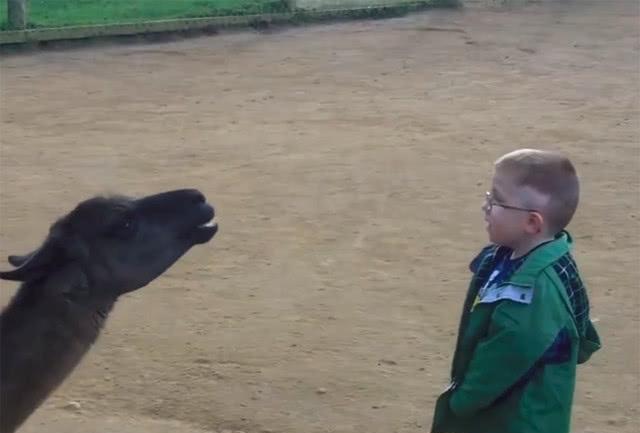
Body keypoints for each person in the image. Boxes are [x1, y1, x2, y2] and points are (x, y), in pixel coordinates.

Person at [430, 148, 601, 433]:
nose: (486, 206)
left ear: (532, 223)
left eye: (496, 200)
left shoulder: (530, 296)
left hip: (515, 420)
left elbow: (501, 362)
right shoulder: (530, 255)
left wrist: (460, 402)